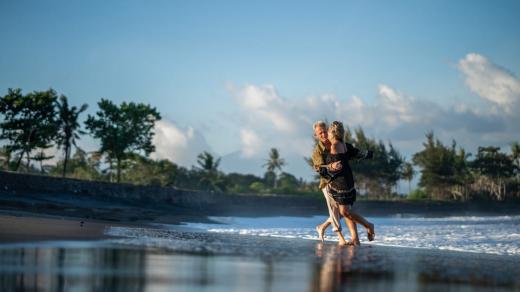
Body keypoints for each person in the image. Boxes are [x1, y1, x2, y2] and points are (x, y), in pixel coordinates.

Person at [325, 121, 375, 245]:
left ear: (333, 133)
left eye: (328, 131)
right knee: (346, 211)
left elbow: (336, 166)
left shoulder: (334, 146)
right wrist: (367, 154)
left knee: (345, 212)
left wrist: (329, 167)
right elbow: (355, 153)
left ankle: (369, 225)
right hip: (346, 180)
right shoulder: (344, 144)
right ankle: (355, 239)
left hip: (341, 182)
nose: (327, 133)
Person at [311, 121, 352, 245]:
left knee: (345, 211)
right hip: (327, 183)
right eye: (320, 133)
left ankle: (322, 227)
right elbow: (318, 167)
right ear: (316, 135)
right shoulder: (317, 151)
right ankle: (341, 239)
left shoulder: (336, 142)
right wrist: (331, 166)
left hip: (340, 182)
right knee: (334, 210)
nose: (323, 134)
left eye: (324, 131)